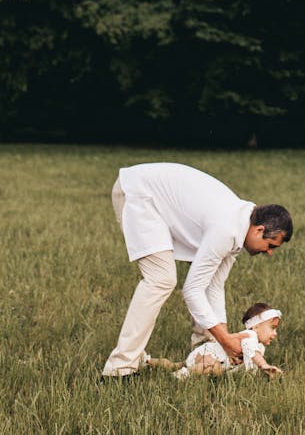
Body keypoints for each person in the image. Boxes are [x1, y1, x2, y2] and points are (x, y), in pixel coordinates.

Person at [101, 162, 292, 379]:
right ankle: (118, 370)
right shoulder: (227, 229)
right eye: (271, 245)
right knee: (161, 279)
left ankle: (203, 350)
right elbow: (192, 290)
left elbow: (214, 285)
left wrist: (221, 340)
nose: (269, 253)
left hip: (154, 198)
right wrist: (224, 339)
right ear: (260, 230)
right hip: (139, 194)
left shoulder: (241, 226)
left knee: (200, 286)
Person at [172, 302, 283, 379]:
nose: (275, 333)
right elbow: (254, 355)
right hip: (209, 354)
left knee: (216, 370)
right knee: (213, 368)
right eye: (272, 328)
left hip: (216, 361)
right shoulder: (250, 335)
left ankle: (159, 363)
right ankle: (184, 374)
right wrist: (264, 366)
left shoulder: (260, 347)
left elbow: (249, 366)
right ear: (256, 327)